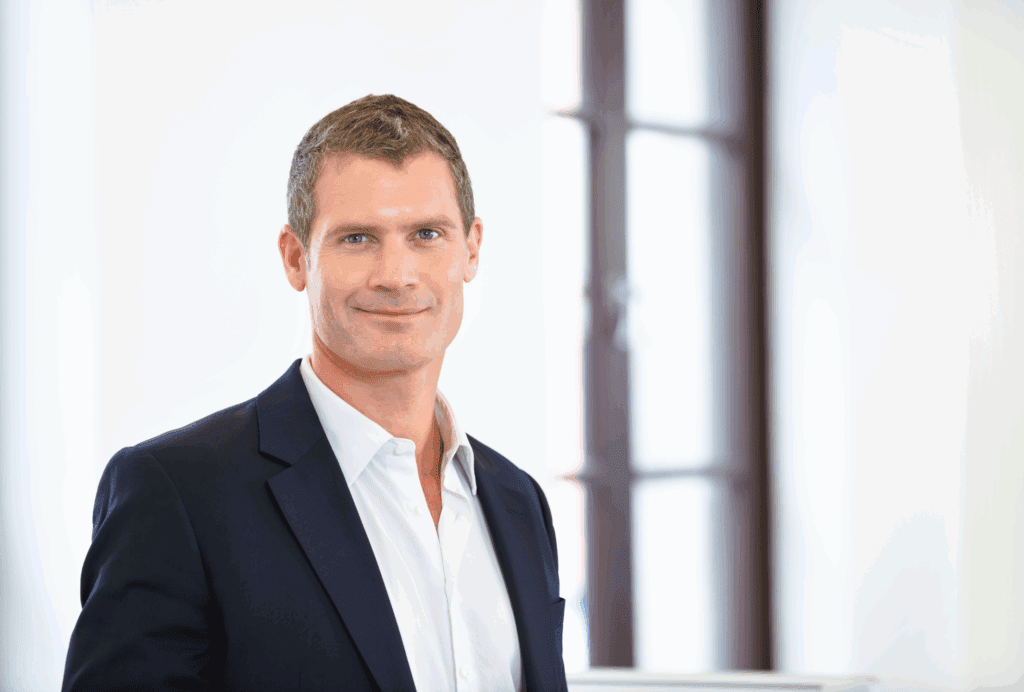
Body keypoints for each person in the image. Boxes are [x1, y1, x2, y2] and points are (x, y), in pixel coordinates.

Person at [62, 94, 567, 692]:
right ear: (296, 257)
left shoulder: (518, 503)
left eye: (426, 234)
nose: (396, 275)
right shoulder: (178, 494)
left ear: (471, 249)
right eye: (358, 238)